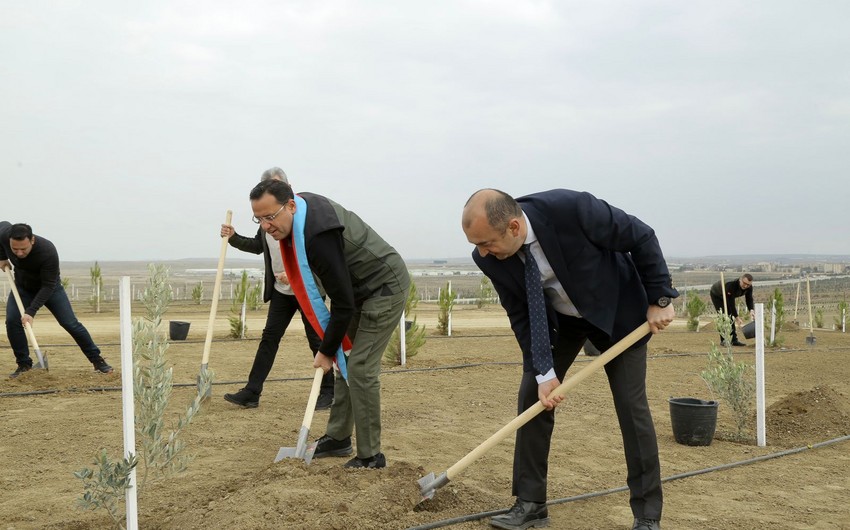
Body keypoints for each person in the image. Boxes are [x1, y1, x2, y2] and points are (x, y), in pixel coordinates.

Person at [461, 189, 678, 530]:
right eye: (476, 245)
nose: (482, 252)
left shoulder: (572, 210)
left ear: (515, 227)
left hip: (619, 313)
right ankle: (531, 504)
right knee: (533, 396)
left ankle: (647, 514)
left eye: (487, 243)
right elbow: (520, 312)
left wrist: (660, 298)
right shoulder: (487, 258)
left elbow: (641, 236)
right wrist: (543, 373)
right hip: (562, 323)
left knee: (631, 408)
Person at [247, 178, 409, 469]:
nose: (266, 227)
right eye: (259, 219)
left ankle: (371, 455)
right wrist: (332, 349)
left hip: (383, 286)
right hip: (357, 290)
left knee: (359, 366)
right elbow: (340, 295)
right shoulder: (301, 215)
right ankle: (338, 437)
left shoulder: (317, 234)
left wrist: (324, 349)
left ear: (291, 205)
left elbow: (342, 304)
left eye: (270, 217)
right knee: (344, 359)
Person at [221, 167, 334, 410]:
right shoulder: (267, 220)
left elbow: (319, 255)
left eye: (276, 187)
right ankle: (252, 391)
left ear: (288, 188)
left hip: (308, 290)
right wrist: (233, 237)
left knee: (317, 340)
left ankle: (328, 391)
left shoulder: (302, 216)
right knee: (269, 339)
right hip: (282, 293)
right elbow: (257, 245)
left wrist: (295, 275)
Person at [1, 222, 113, 378]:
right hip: (22, 288)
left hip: (50, 289)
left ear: (32, 240)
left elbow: (48, 286)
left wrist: (30, 312)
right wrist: (2, 257)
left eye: (23, 249)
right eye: (15, 249)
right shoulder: (5, 234)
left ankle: (97, 360)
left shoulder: (47, 251)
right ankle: (24, 365)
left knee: (70, 323)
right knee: (12, 321)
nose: (19, 253)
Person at [709, 274, 754, 346]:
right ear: (740, 280)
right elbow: (731, 304)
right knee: (723, 316)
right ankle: (724, 340)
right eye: (744, 283)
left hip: (727, 296)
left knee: (730, 316)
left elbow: (749, 299)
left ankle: (734, 340)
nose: (745, 286)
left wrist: (751, 310)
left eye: (748, 285)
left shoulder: (749, 287)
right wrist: (737, 317)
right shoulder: (731, 285)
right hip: (717, 294)